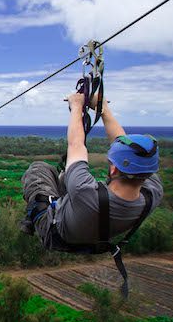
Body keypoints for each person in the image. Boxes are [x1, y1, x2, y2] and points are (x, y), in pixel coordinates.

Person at [21, 90, 163, 251]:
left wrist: (76, 105)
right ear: (150, 171)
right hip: (94, 238)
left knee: (39, 169)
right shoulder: (153, 193)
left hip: (55, 233)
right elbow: (124, 144)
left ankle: (31, 219)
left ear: (114, 168)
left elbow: (76, 144)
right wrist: (103, 108)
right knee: (65, 178)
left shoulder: (85, 190)